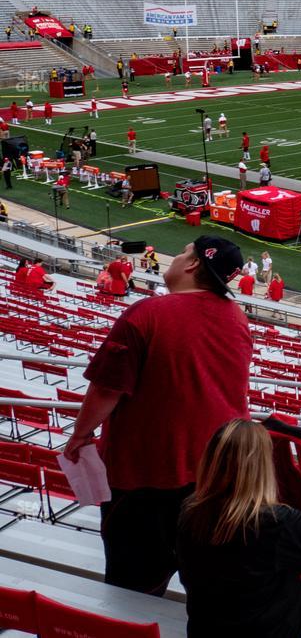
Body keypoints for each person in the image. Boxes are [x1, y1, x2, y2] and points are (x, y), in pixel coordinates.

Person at [63, 236, 249, 595]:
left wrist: (80, 435)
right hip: (215, 477)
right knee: (208, 589)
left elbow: (107, 388)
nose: (177, 257)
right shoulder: (237, 317)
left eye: (182, 251)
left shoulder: (147, 312)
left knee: (133, 590)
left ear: (194, 264)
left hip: (145, 479)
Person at [176, 419, 301, 638]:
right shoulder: (272, 523)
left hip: (206, 628)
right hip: (271, 630)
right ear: (262, 467)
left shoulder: (189, 511)